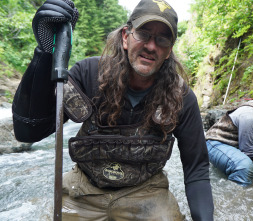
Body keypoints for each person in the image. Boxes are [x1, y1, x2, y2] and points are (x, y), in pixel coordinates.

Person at [12, 0, 214, 220]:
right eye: (144, 34)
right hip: (84, 188)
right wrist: (44, 53)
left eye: (162, 39)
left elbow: (197, 170)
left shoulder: (180, 97)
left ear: (169, 51)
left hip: (146, 192)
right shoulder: (89, 75)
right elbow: (28, 131)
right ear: (126, 37)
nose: (151, 46)